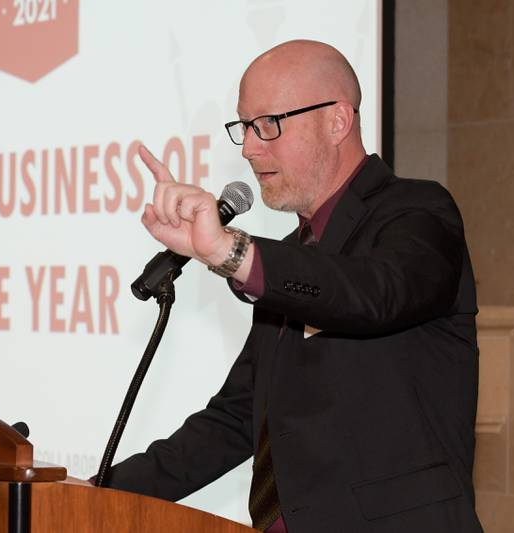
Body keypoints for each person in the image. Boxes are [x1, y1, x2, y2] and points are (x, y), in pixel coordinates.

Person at [103, 40, 483, 532]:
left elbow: (372, 294)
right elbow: (236, 420)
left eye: (269, 124)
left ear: (338, 121)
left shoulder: (419, 212)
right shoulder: (291, 254)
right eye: (244, 126)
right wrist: (95, 493)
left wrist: (228, 251)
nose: (249, 147)